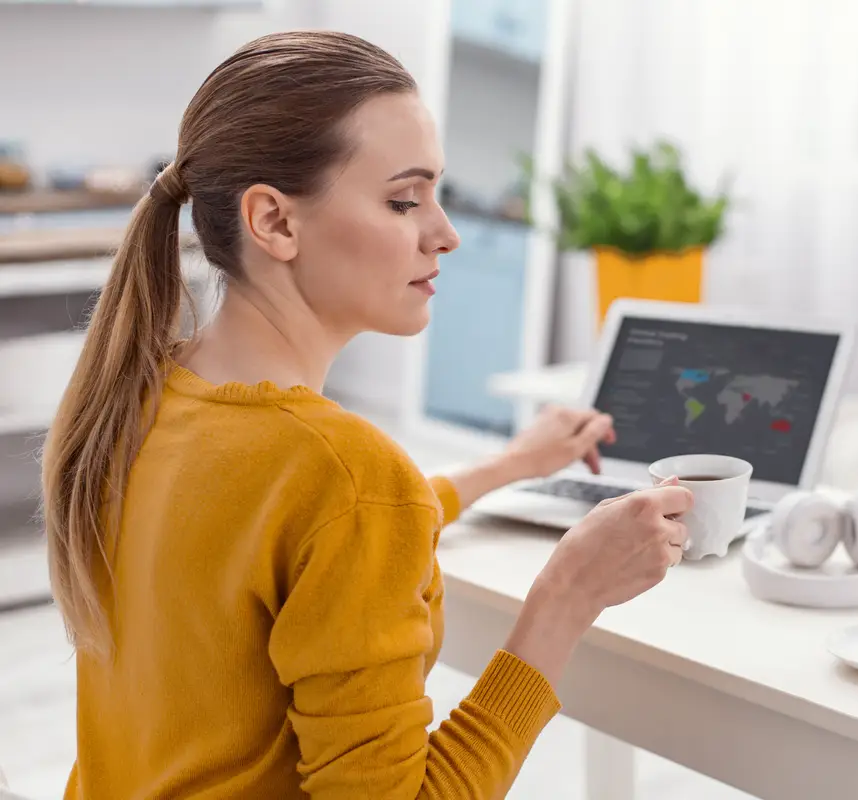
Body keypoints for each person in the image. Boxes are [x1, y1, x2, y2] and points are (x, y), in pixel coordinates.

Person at [41, 30, 692, 799]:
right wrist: (566, 596)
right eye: (403, 201)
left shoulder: (141, 392)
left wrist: (506, 467)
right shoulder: (342, 475)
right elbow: (336, 512)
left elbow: (295, 534)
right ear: (275, 222)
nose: (444, 232)